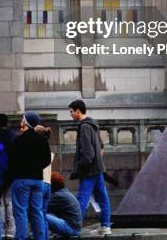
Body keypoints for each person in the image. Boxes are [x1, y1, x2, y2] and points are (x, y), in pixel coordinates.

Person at [68, 100, 111, 235]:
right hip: (98, 168)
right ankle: (106, 226)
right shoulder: (93, 124)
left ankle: (75, 228)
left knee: (82, 199)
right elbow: (101, 147)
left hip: (89, 170)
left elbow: (88, 152)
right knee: (102, 198)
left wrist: (81, 167)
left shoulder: (84, 127)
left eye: (71, 112)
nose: (70, 115)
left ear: (78, 111)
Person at [7, 111, 51, 240]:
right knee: (37, 211)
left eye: (22, 119)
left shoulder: (18, 139)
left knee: (21, 211)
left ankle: (22, 237)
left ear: (26, 122)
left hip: (21, 180)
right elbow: (46, 160)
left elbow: (12, 160)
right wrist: (36, 168)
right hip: (37, 180)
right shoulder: (42, 139)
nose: (21, 121)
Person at [46, 172, 81, 239]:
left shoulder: (58, 196)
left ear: (52, 185)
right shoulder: (63, 192)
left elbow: (42, 208)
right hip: (74, 228)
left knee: (41, 215)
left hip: (71, 229)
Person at [34, 125, 53, 240]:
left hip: (40, 183)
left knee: (37, 215)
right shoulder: (48, 149)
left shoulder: (37, 149)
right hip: (48, 184)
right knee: (43, 215)